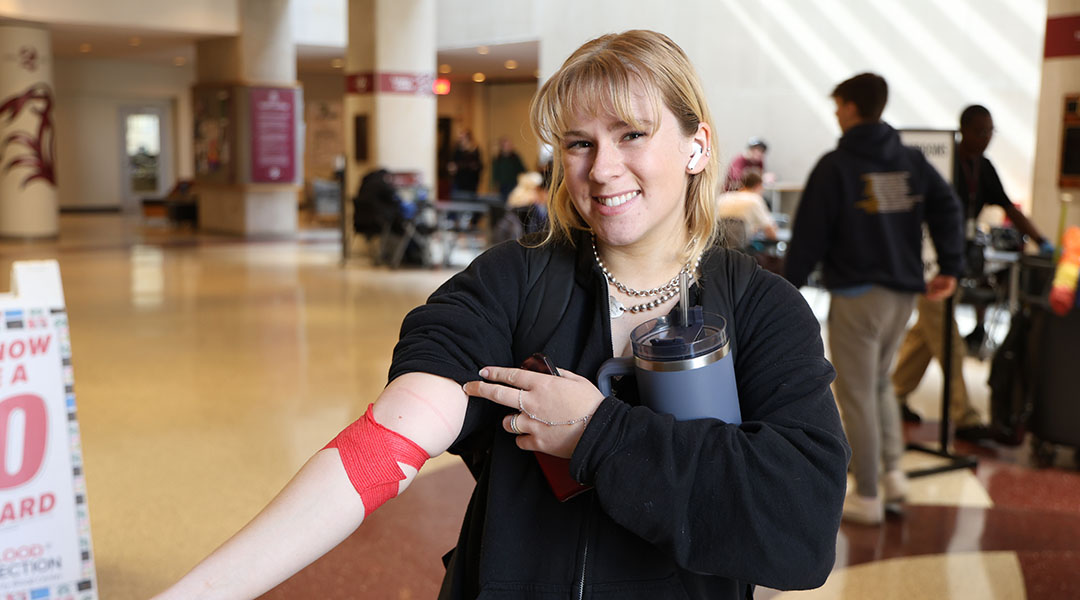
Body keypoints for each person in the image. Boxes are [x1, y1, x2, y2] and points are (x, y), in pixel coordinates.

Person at [154, 30, 848, 600]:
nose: (602, 169)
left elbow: (800, 530)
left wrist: (598, 435)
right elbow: (398, 431)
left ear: (696, 145)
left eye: (632, 134)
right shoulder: (517, 280)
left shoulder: (763, 310)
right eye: (578, 143)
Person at [784, 73, 964, 525]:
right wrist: (951, 265)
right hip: (902, 294)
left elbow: (809, 233)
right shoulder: (909, 160)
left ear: (849, 107)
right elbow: (948, 206)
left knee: (857, 394)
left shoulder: (836, 166)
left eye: (837, 106)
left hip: (858, 296)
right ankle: (893, 473)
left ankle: (866, 494)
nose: (836, 114)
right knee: (879, 384)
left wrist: (789, 286)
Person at [952, 105, 1053, 354]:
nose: (985, 138)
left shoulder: (984, 167)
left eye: (989, 132)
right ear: (963, 130)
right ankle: (956, 394)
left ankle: (900, 385)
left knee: (932, 323)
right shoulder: (947, 161)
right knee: (938, 322)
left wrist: (1040, 240)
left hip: (962, 247)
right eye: (979, 132)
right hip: (938, 247)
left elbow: (1009, 208)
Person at [715, 168, 778, 249]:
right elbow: (770, 232)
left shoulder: (723, 197)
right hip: (740, 252)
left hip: (716, 250)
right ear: (758, 186)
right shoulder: (754, 199)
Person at [490, 136, 527, 200]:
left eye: (509, 145)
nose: (508, 147)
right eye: (506, 146)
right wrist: (494, 186)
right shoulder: (498, 158)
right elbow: (495, 174)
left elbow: (523, 170)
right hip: (502, 186)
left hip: (514, 184)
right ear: (502, 147)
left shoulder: (515, 157)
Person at [448, 130, 483, 195]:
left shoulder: (474, 151)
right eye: (460, 138)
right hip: (459, 181)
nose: (460, 140)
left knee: (469, 202)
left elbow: (479, 166)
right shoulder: (456, 151)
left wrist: (459, 166)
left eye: (462, 138)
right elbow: (451, 165)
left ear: (468, 139)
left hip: (471, 183)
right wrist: (451, 168)